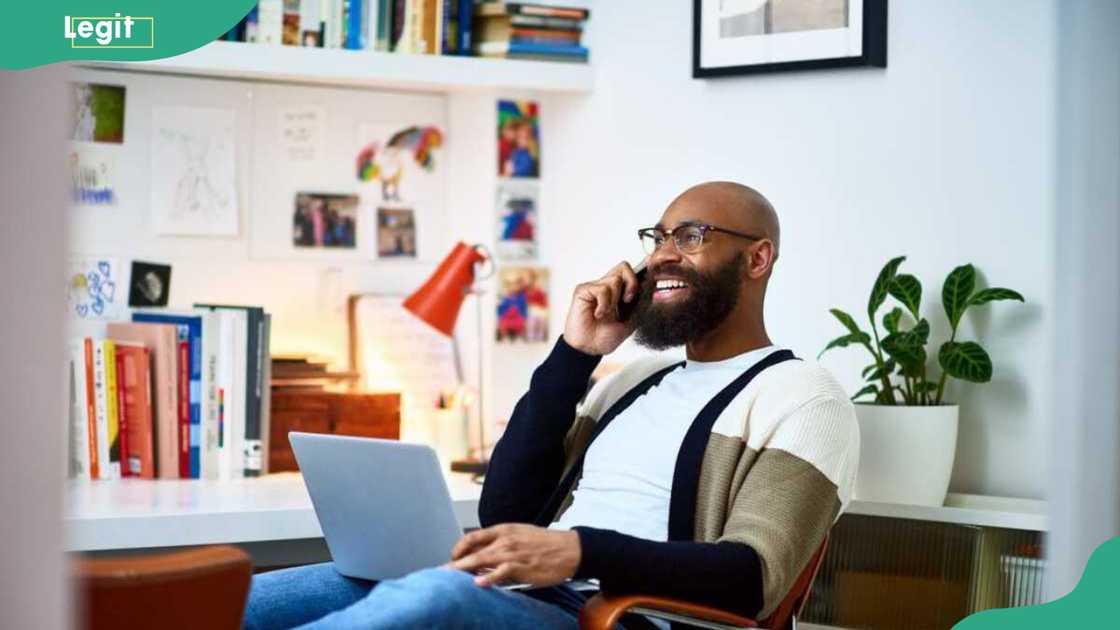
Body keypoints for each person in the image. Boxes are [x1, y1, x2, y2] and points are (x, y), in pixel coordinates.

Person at [242, 181, 859, 630]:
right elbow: (506, 506)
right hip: (522, 593)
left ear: (757, 258)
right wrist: (574, 354)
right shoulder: (633, 378)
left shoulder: (804, 397)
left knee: (433, 602)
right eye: (659, 237)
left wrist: (578, 551)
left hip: (616, 618)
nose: (663, 255)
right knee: (249, 598)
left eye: (692, 237)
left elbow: (751, 577)